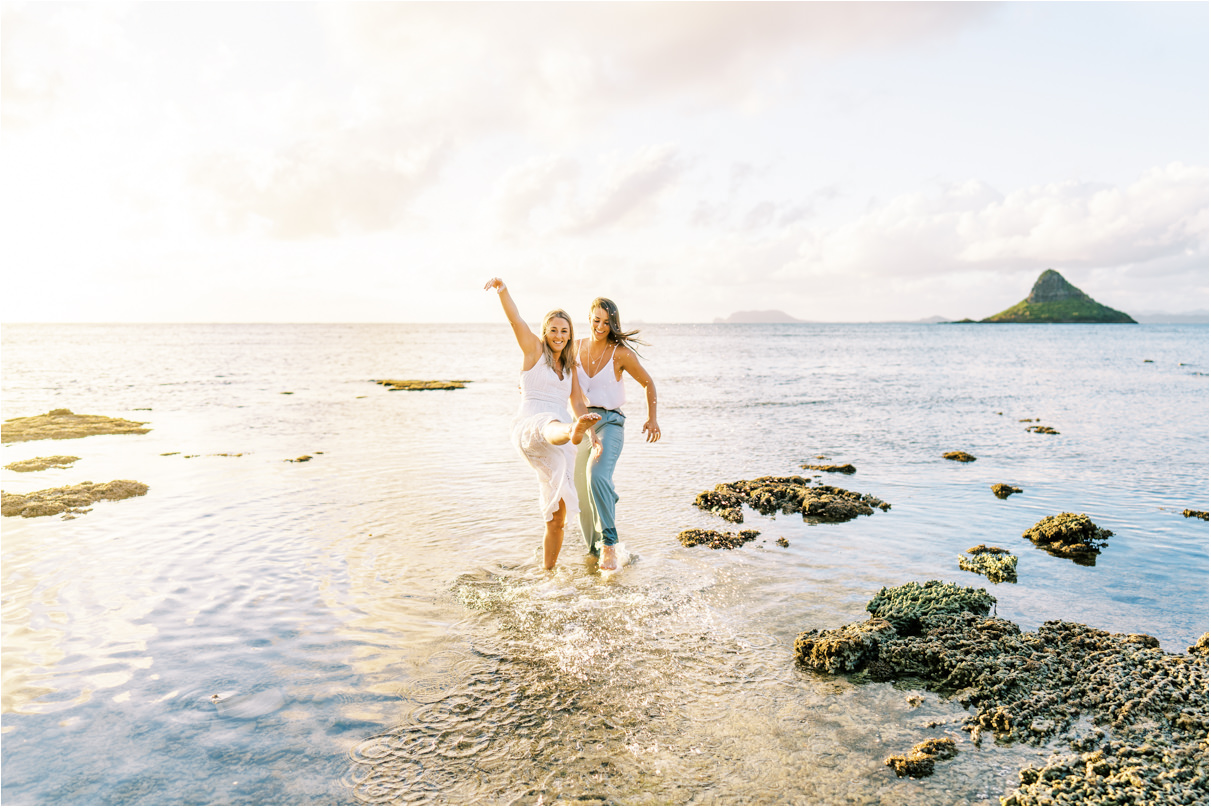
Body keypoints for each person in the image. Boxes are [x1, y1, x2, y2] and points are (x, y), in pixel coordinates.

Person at [485, 277, 602, 570]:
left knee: (557, 516)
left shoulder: (571, 366)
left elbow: (577, 403)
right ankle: (573, 432)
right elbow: (516, 320)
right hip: (531, 424)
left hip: (560, 439)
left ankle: (547, 572)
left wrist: (592, 431)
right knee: (549, 425)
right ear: (545, 332)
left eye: (564, 331)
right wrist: (503, 291)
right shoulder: (534, 352)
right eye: (553, 330)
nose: (559, 335)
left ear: (570, 334)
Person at [574, 296, 661, 571]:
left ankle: (609, 545)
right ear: (589, 318)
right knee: (580, 492)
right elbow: (551, 369)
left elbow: (648, 382)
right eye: (597, 320)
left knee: (596, 475)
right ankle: (592, 551)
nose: (601, 326)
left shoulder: (620, 353)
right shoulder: (574, 348)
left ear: (613, 324)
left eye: (607, 322)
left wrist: (652, 419)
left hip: (610, 422)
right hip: (581, 424)